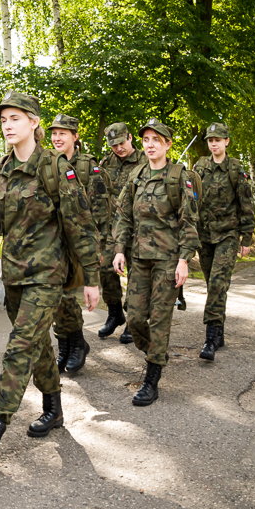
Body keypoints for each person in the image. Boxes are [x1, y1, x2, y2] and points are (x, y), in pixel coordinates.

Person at [0, 92, 101, 472]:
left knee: (19, 349)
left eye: (15, 118)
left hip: (48, 276)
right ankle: (53, 409)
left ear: (34, 122)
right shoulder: (1, 169)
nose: (7, 125)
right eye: (3, 120)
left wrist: (92, 279)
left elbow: (81, 226)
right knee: (37, 346)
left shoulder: (55, 168)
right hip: (15, 276)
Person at [112, 118, 199, 407]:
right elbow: (124, 214)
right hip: (139, 258)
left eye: (155, 140)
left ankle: (152, 377)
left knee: (160, 319)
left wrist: (184, 260)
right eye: (146, 140)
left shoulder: (178, 177)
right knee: (135, 318)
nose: (150, 145)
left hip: (167, 259)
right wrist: (119, 249)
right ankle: (157, 354)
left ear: (167, 144)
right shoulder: (136, 174)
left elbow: (189, 221)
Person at [47, 113, 108, 374]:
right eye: (54, 133)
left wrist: (98, 248)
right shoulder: (48, 163)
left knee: (68, 299)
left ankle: (75, 344)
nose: (57, 138)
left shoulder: (87, 167)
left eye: (63, 133)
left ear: (75, 136)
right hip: (52, 243)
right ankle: (69, 345)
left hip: (78, 244)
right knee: (54, 299)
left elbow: (99, 211)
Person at [191, 122, 254, 360]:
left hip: (228, 234)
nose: (213, 143)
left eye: (218, 139)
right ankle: (219, 332)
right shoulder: (200, 166)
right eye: (210, 140)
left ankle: (210, 338)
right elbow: (192, 198)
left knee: (217, 283)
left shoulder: (236, 168)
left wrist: (246, 236)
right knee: (211, 284)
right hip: (204, 234)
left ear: (227, 141)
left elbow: (245, 204)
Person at [97, 122, 145, 343]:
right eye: (113, 144)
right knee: (106, 268)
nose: (118, 148)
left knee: (136, 277)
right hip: (112, 228)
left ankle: (134, 320)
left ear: (131, 138)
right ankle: (115, 312)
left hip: (139, 229)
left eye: (121, 143)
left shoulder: (146, 161)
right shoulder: (106, 163)